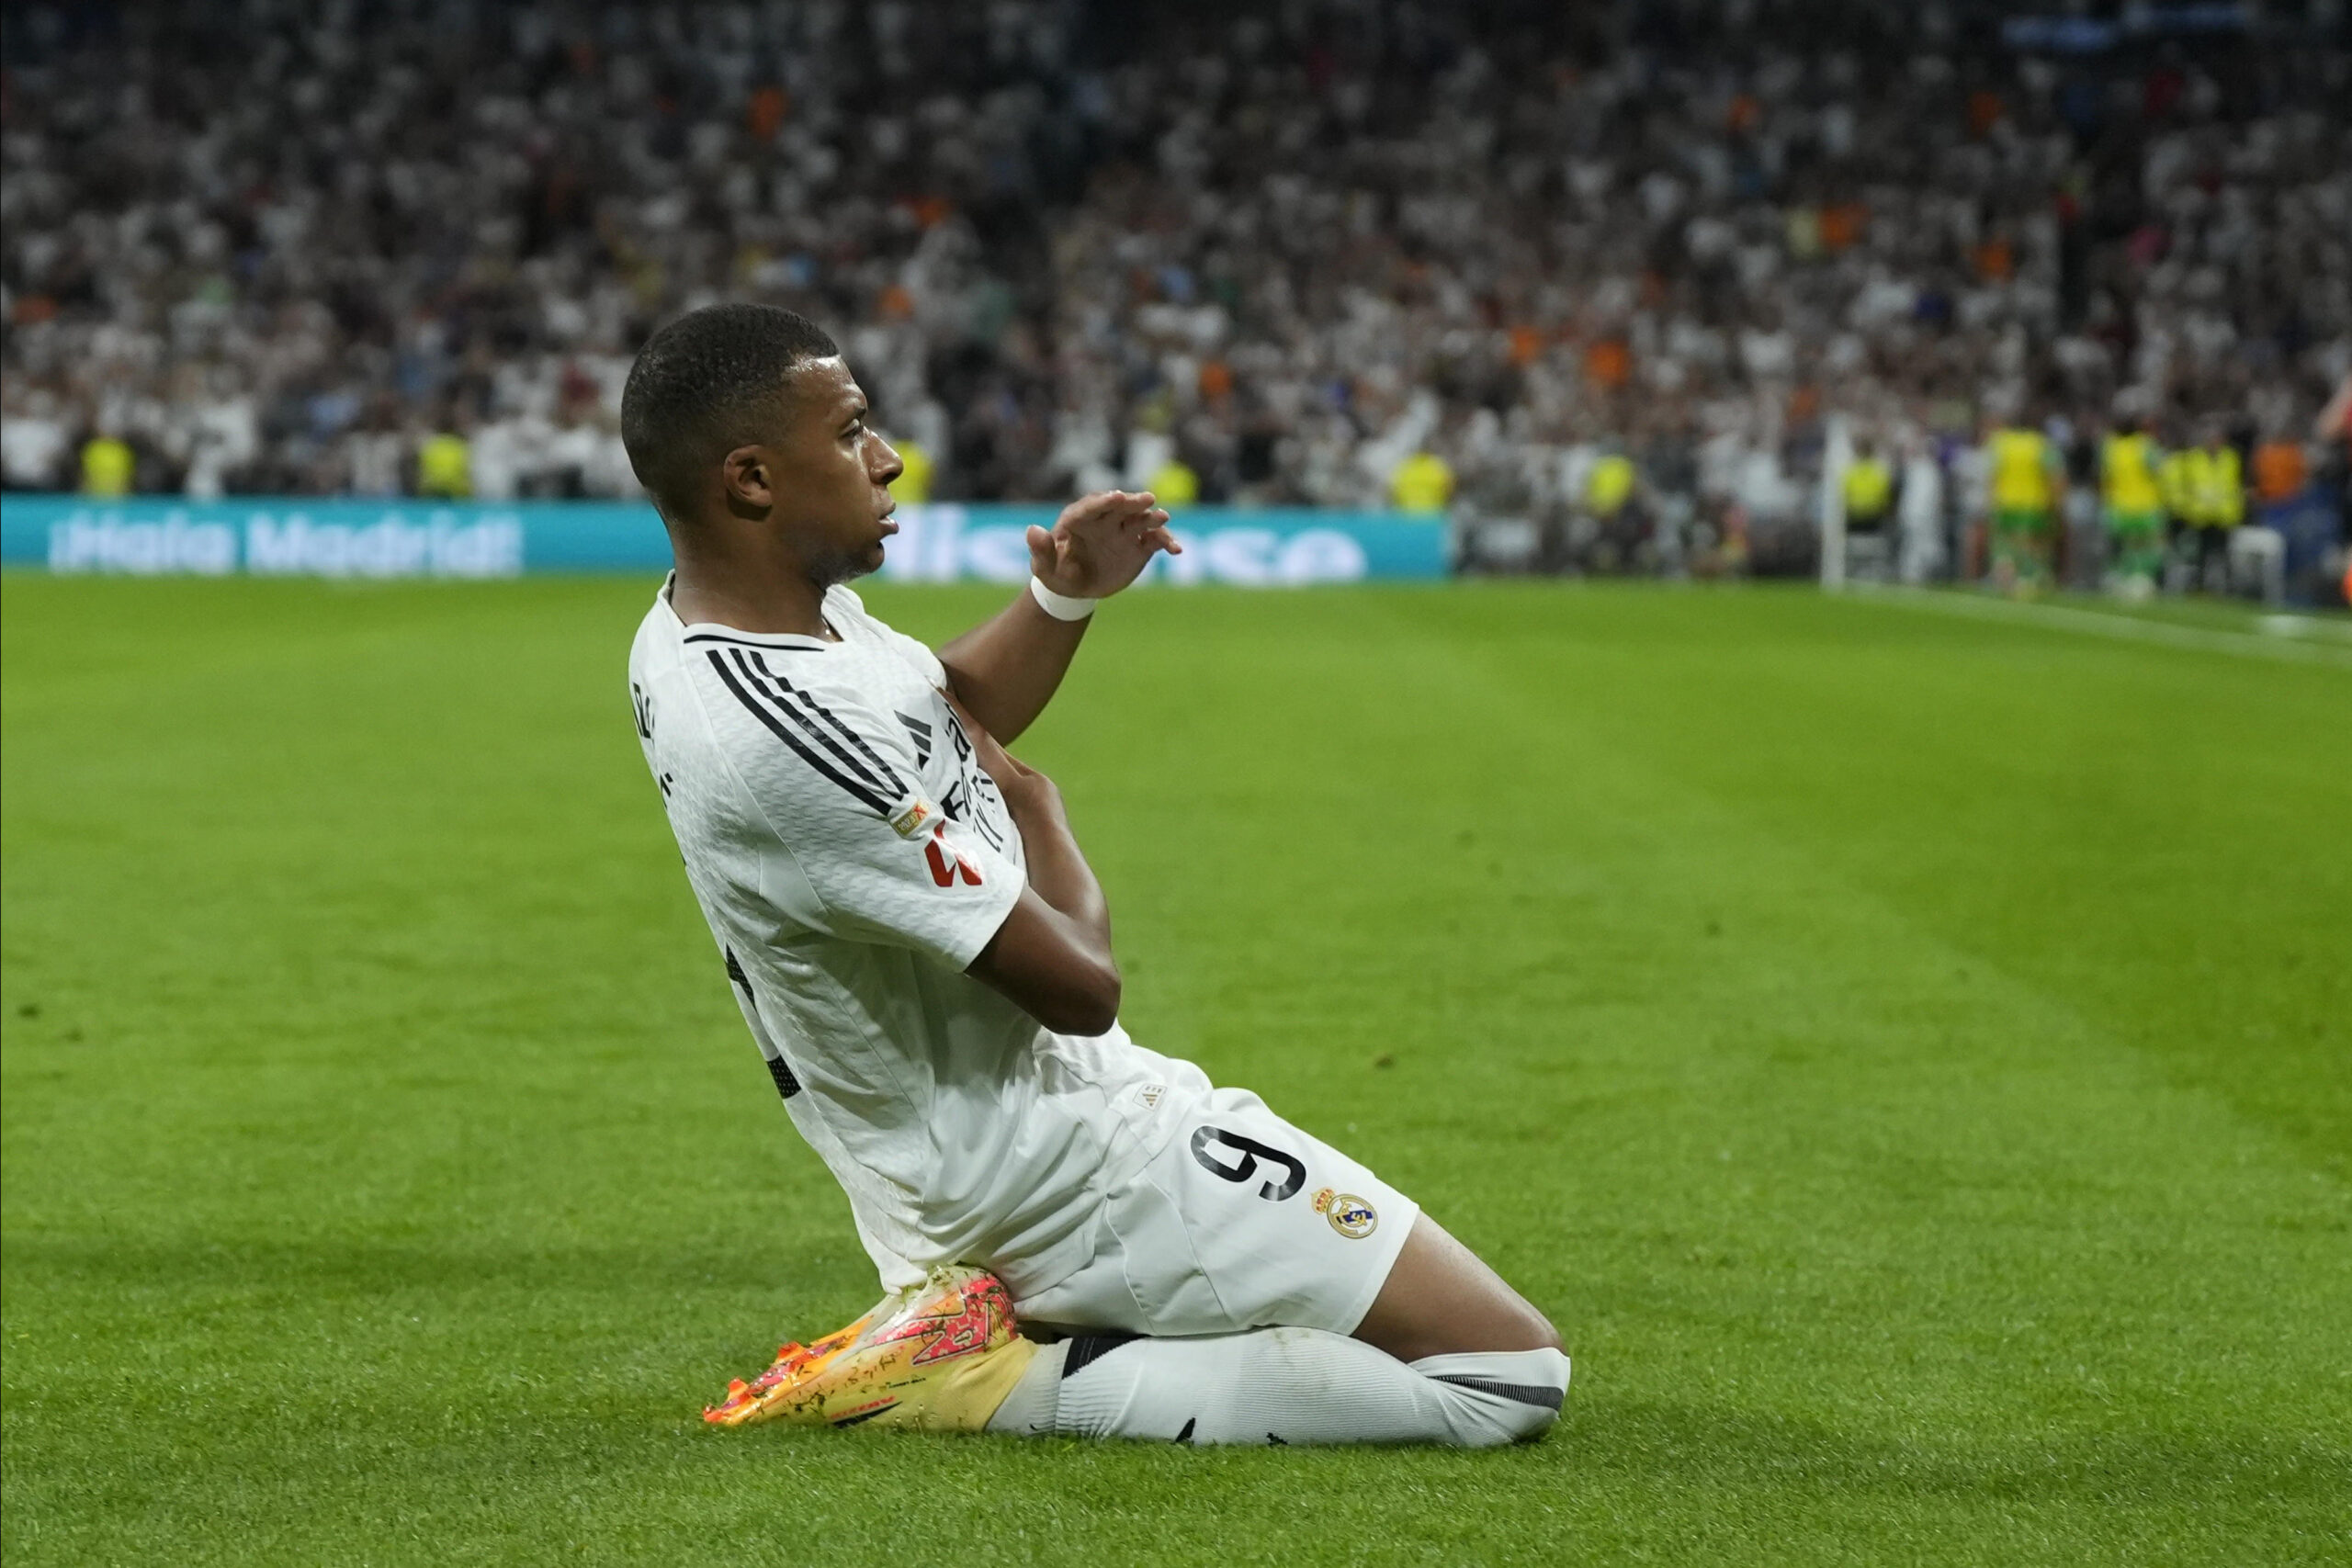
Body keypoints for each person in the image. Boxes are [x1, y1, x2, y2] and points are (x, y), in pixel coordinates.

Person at [619, 304, 1567, 1446]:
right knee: (1508, 1373)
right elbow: (1081, 984)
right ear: (753, 480)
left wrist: (1061, 597)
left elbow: (944, 716)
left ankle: (1005, 1335)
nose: (888, 458)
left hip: (1023, 1125)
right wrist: (1045, 810)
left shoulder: (738, 628)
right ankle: (988, 1383)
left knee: (1404, 1321)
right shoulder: (775, 734)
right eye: (853, 431)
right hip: (1051, 1167)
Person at [1984, 416, 2062, 594]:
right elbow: (2054, 475)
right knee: (2033, 545)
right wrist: (2056, 502)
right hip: (2033, 502)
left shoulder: (2001, 443)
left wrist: (1991, 499)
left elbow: (1993, 475)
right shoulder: (2040, 444)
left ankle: (2005, 577)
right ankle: (2029, 578)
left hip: (2005, 501)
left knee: (2006, 543)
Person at [2099, 417, 2165, 598]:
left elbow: (2105, 477)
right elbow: (2159, 471)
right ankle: (2141, 579)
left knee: (2122, 546)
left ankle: (2119, 579)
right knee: (2145, 545)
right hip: (2145, 505)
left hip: (2119, 505)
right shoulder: (2145, 446)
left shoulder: (2111, 448)